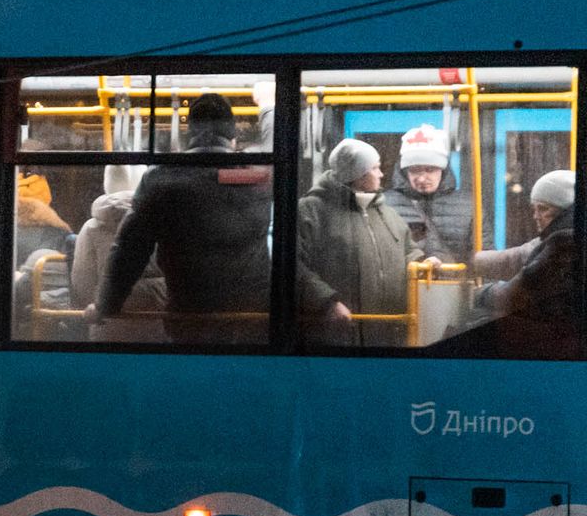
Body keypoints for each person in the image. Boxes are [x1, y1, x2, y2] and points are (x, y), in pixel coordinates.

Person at [90, 92, 271, 345]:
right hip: (251, 320)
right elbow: (275, 149)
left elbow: (129, 250)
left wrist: (106, 304)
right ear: (232, 135)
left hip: (189, 316)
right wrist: (269, 106)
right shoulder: (253, 176)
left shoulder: (163, 178)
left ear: (190, 132)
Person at [296, 139, 417, 347]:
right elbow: (293, 265)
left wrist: (424, 262)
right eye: (375, 168)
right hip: (334, 333)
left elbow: (409, 251)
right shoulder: (311, 211)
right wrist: (327, 302)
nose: (381, 174)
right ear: (357, 175)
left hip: (386, 332)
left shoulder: (387, 213)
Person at [464, 169, 578, 355]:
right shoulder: (560, 237)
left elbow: (515, 295)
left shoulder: (564, 242)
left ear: (566, 210)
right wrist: (472, 262)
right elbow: (519, 257)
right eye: (534, 209)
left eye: (543, 209)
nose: (536, 216)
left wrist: (477, 294)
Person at [71, 190, 164, 343]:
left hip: (105, 321)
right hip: (157, 321)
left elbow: (82, 278)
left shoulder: (90, 228)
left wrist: (99, 303)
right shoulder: (162, 224)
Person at [382, 124, 474, 263]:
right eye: (414, 170)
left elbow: (482, 256)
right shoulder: (385, 204)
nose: (421, 178)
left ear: (443, 170)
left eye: (430, 170)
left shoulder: (468, 205)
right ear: (405, 172)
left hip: (455, 277)